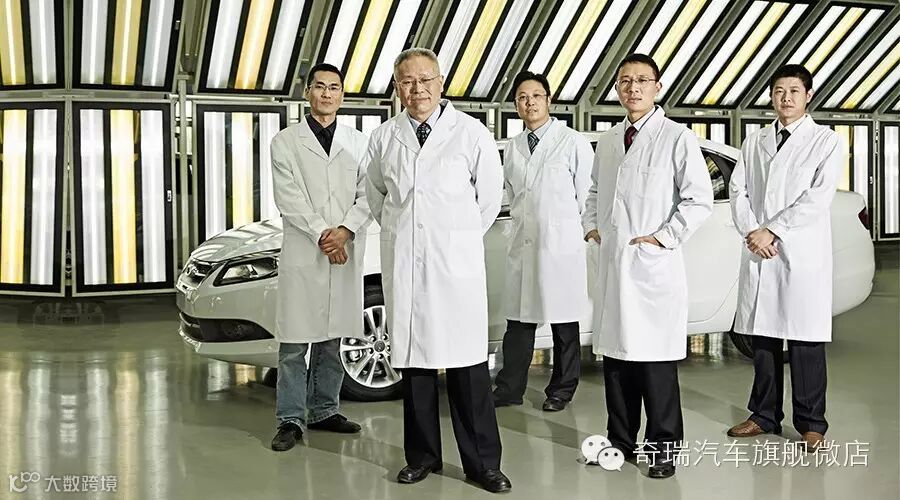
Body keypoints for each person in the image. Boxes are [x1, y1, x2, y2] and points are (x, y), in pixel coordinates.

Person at [364, 48, 511, 493]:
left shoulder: (471, 133)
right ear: (397, 87)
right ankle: (422, 456)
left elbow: (489, 199)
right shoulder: (384, 137)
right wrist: (409, 235)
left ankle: (483, 464)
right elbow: (376, 196)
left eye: (425, 79)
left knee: (468, 370)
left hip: (455, 267)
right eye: (407, 81)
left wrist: (454, 237)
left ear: (441, 83)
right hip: (408, 265)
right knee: (417, 369)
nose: (417, 89)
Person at [582, 53, 713, 478]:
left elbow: (698, 200)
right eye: (625, 81)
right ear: (617, 89)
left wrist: (663, 238)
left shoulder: (676, 137)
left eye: (642, 80)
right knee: (617, 362)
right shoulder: (609, 140)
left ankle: (662, 448)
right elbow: (594, 192)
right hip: (614, 264)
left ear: (657, 87)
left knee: (654, 365)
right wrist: (591, 227)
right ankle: (620, 441)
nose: (633, 88)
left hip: (652, 268)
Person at [727, 64, 842, 452]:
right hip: (761, 249)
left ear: (808, 95)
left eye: (794, 91)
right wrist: (753, 231)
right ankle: (763, 415)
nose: (786, 98)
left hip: (798, 250)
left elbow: (817, 196)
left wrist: (772, 230)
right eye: (779, 91)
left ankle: (812, 423)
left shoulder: (824, 140)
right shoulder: (754, 141)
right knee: (763, 337)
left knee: (805, 339)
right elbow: (738, 190)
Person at [268, 63, 371, 452]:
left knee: (333, 336)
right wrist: (324, 234)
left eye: (334, 88)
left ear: (342, 95)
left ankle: (325, 410)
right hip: (305, 247)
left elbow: (369, 193)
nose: (327, 94)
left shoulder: (359, 142)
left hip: (344, 246)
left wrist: (345, 231)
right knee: (295, 342)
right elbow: (288, 197)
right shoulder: (285, 142)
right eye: (320, 87)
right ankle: (290, 418)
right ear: (308, 92)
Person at [492, 71, 592, 412]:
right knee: (519, 322)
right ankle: (509, 388)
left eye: (536, 96)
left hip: (561, 247)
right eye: (522, 97)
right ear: (516, 105)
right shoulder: (513, 147)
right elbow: (512, 195)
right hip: (524, 244)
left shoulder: (572, 142)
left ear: (549, 100)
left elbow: (587, 197)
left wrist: (579, 236)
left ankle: (562, 389)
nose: (529, 102)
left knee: (564, 323)